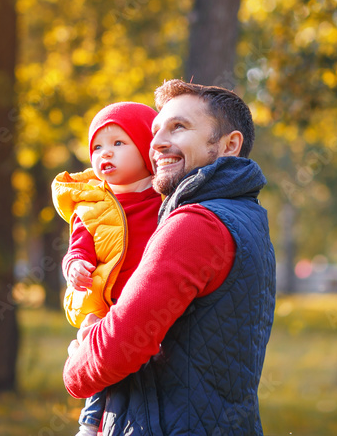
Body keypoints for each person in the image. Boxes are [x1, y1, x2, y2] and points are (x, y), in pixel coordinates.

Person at [63, 79, 276, 435]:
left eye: (179, 128)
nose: (158, 142)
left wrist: (75, 364)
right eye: (155, 131)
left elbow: (120, 346)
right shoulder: (245, 216)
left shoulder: (195, 224)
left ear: (229, 145)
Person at [52, 102, 162, 436]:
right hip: (108, 306)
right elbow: (78, 248)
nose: (105, 154)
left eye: (118, 143)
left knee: (144, 374)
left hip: (152, 303)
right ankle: (90, 424)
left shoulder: (165, 199)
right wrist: (75, 266)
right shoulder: (93, 206)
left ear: (146, 147)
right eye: (97, 147)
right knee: (103, 361)